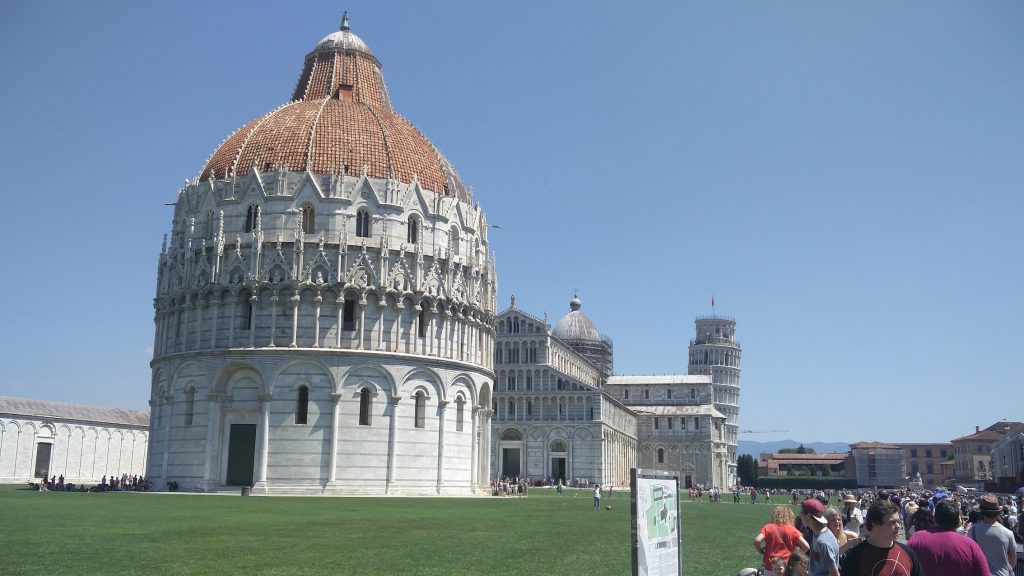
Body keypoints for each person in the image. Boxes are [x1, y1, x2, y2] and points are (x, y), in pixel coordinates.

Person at [907, 498, 989, 576]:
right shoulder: (971, 545)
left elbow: (903, 567)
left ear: (935, 518)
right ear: (958, 522)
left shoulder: (916, 538)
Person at [840, 499, 923, 576]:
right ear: (874, 524)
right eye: (892, 522)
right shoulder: (855, 557)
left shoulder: (908, 553)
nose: (898, 526)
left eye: (899, 521)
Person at [969, 494, 1017, 576]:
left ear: (982, 512)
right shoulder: (1008, 533)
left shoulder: (973, 530)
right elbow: (1013, 561)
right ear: (998, 512)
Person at [754, 506, 810, 572]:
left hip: (771, 565)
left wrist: (761, 551)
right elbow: (806, 546)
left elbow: (757, 540)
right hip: (785, 565)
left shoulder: (768, 527)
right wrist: (793, 557)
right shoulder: (792, 529)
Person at [800, 498, 839, 576]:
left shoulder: (822, 542)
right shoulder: (818, 534)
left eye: (801, 513)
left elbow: (834, 573)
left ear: (808, 515)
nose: (800, 516)